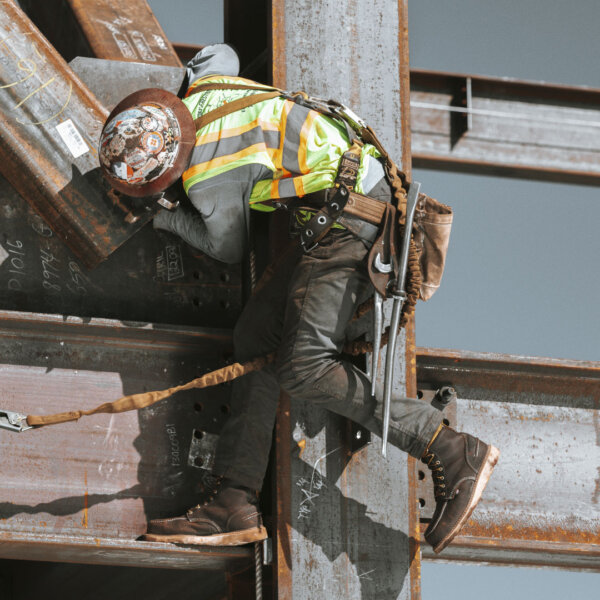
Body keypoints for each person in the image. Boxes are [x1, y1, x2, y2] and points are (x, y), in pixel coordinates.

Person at [98, 44, 499, 554]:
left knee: (303, 366)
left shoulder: (203, 177)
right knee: (256, 337)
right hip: (349, 206)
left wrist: (160, 213)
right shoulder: (206, 86)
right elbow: (222, 52)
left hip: (354, 222)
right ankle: (232, 502)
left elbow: (227, 246)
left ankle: (448, 448)